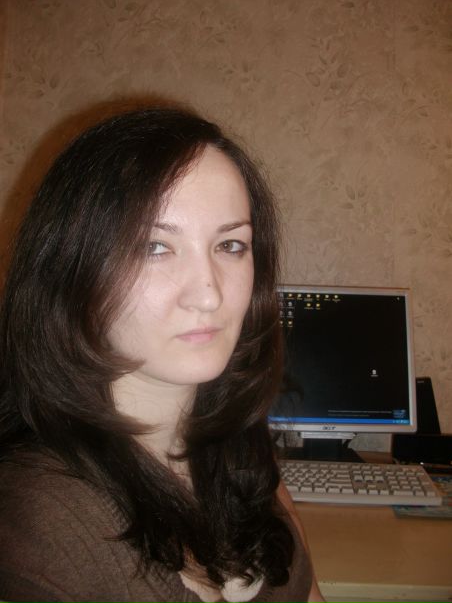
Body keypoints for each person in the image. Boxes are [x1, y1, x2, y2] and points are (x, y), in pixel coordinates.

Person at [0, 107, 323, 602]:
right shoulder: (43, 527)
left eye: (230, 245)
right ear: (73, 269)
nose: (209, 294)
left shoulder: (238, 448)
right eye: (154, 247)